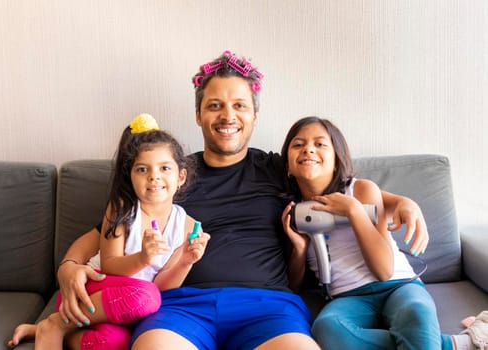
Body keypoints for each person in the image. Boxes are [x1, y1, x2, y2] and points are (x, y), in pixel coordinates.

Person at [56, 51, 431, 350]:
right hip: (180, 306)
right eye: (215, 105)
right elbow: (111, 226)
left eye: (239, 105)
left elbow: (338, 183)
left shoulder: (280, 169)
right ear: (199, 115)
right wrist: (70, 266)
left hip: (268, 307)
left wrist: (400, 201)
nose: (227, 116)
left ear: (254, 115)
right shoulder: (170, 174)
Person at [280, 116, 488, 350]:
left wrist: (354, 211)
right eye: (298, 144)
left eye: (320, 144)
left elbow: (383, 270)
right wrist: (299, 248)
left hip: (398, 285)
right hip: (347, 297)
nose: (308, 149)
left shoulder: (361, 190)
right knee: (327, 329)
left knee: (416, 312)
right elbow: (293, 287)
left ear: (336, 161)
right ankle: (456, 344)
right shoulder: (293, 211)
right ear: (287, 165)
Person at [7, 114, 209, 350]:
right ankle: (57, 324)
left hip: (130, 306)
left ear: (181, 176)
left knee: (118, 341)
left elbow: (162, 288)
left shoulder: (186, 225)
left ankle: (44, 328)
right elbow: (111, 265)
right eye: (142, 169)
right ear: (131, 177)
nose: (154, 176)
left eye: (165, 168)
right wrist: (143, 258)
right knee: (146, 297)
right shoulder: (122, 210)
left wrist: (186, 261)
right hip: (89, 293)